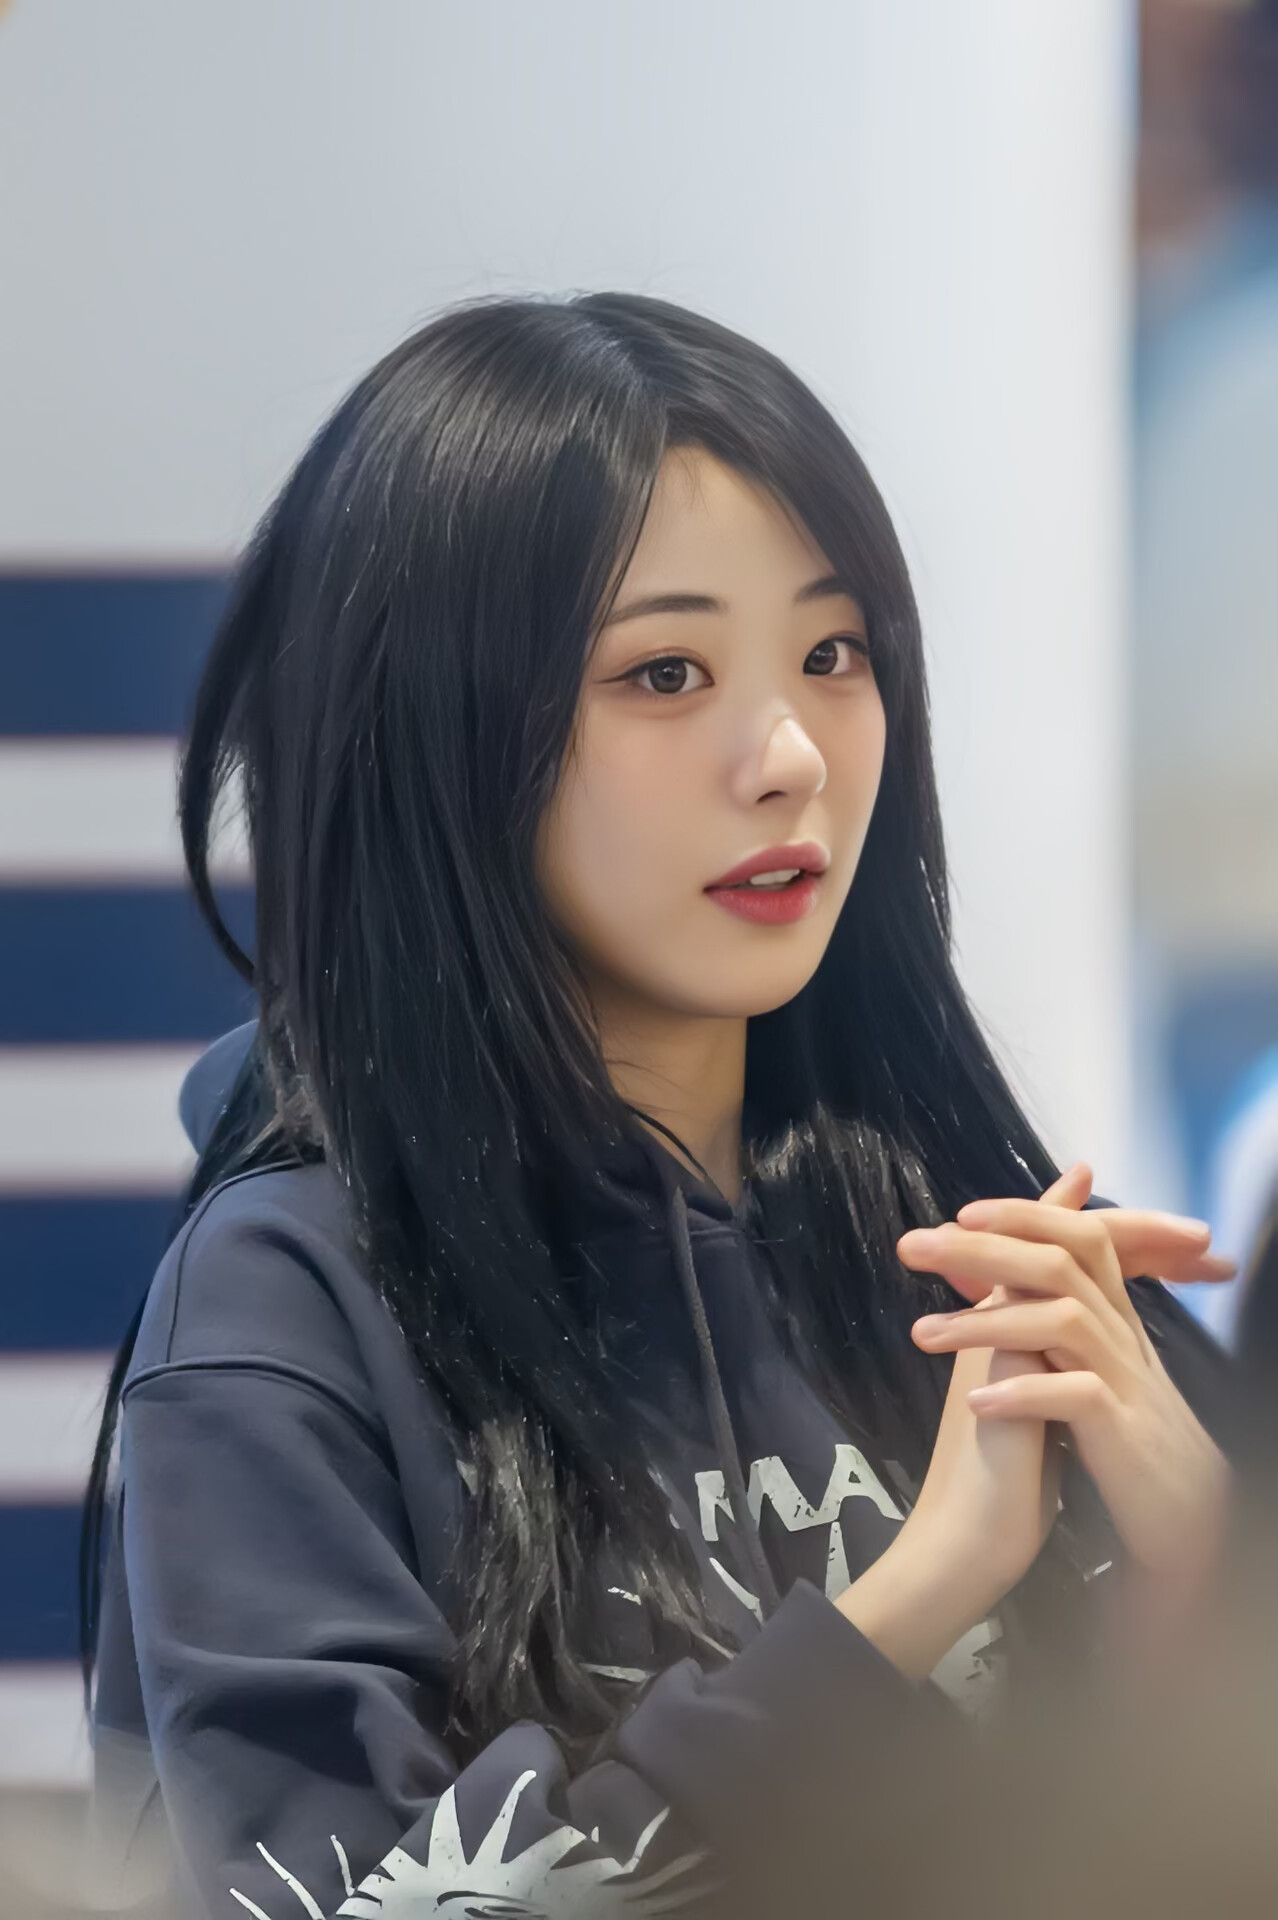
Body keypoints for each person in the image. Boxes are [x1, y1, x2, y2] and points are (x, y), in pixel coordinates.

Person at [80, 293, 1237, 1920]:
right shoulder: (288, 1302)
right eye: (665, 672)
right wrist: (912, 1599)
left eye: (832, 655)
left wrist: (1211, 1564)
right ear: (437, 734)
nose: (788, 756)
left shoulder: (986, 1261)